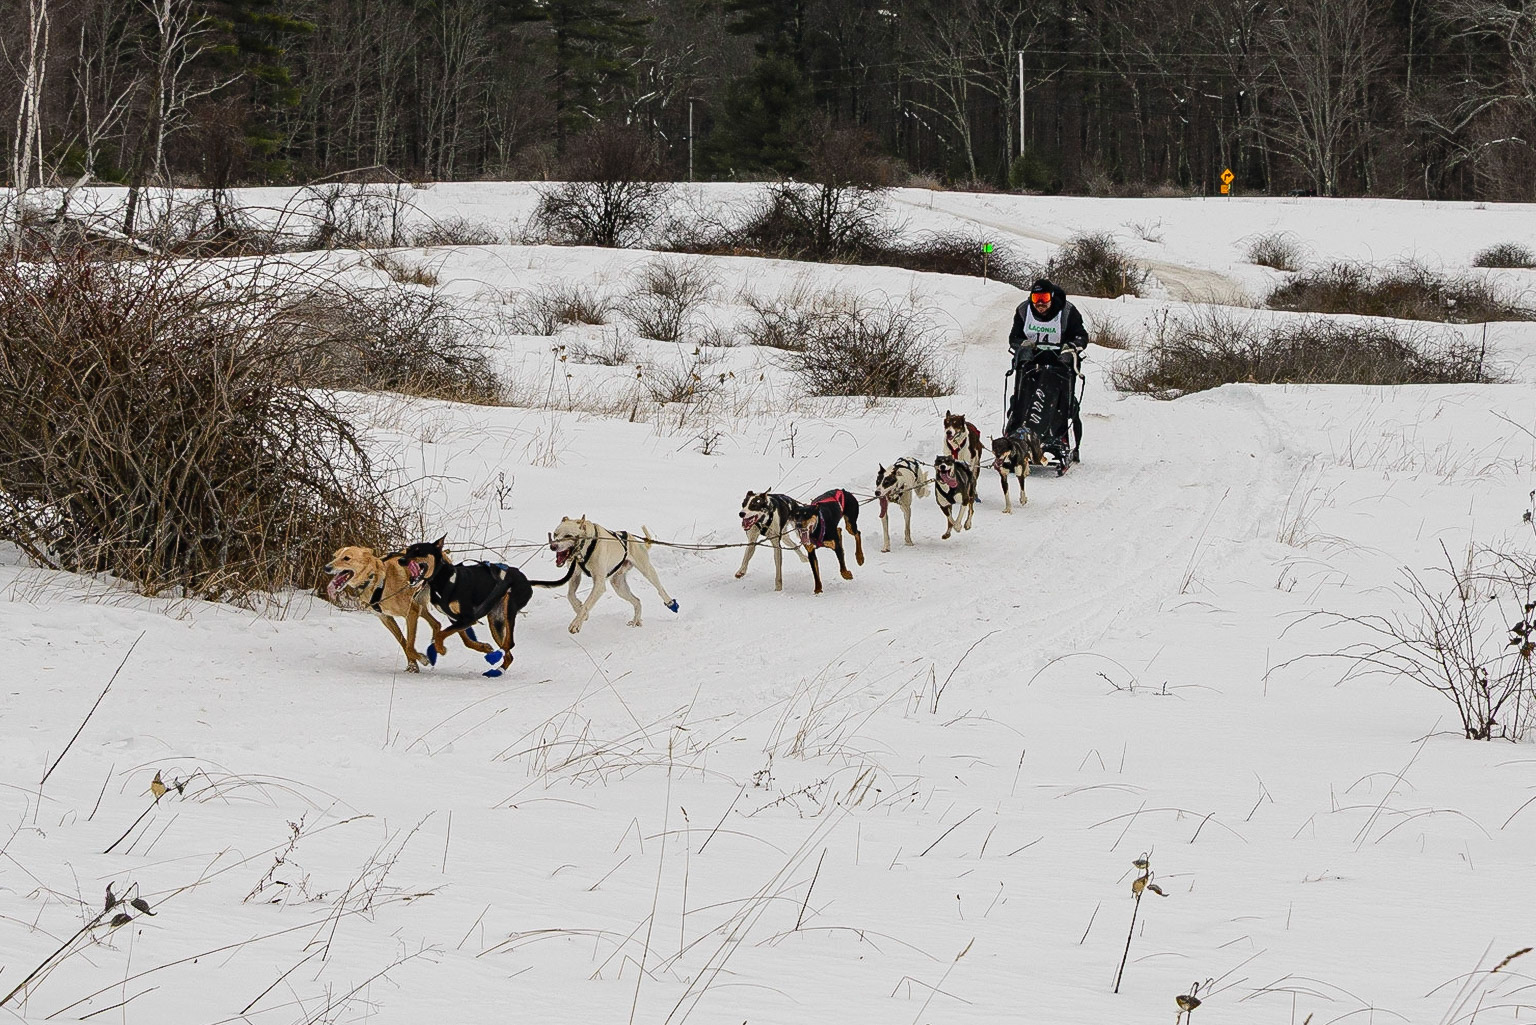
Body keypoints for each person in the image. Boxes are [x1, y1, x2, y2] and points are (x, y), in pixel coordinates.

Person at [1006, 278, 1089, 466]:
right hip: (1030, 364)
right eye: (1036, 298)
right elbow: (1014, 337)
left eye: (1044, 298)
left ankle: (1060, 435)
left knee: (1060, 399)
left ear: (1051, 297)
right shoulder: (1023, 311)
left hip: (1061, 365)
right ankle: (1017, 430)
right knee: (1023, 396)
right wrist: (1022, 345)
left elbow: (1081, 336)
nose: (1040, 303)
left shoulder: (1067, 311)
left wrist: (1071, 347)